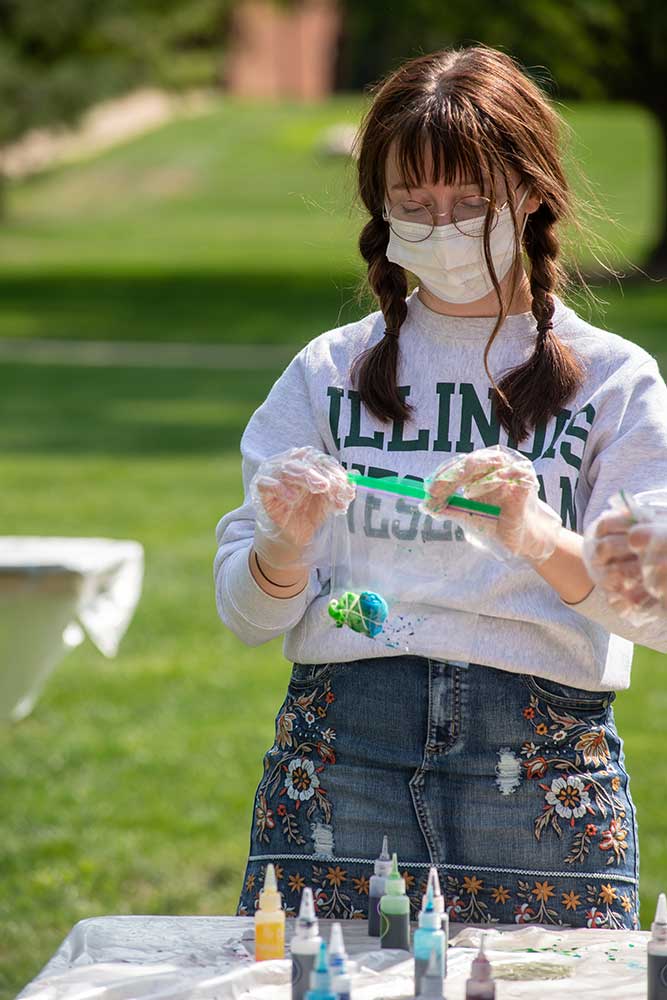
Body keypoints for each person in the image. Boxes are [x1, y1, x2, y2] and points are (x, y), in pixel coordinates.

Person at [214, 45, 667, 929]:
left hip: (540, 770)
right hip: (339, 757)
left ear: (533, 193)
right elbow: (246, 614)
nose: (443, 226)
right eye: (413, 206)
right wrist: (281, 546)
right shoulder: (329, 371)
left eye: (470, 204)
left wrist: (537, 534)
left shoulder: (613, 381)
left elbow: (654, 611)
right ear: (380, 210)